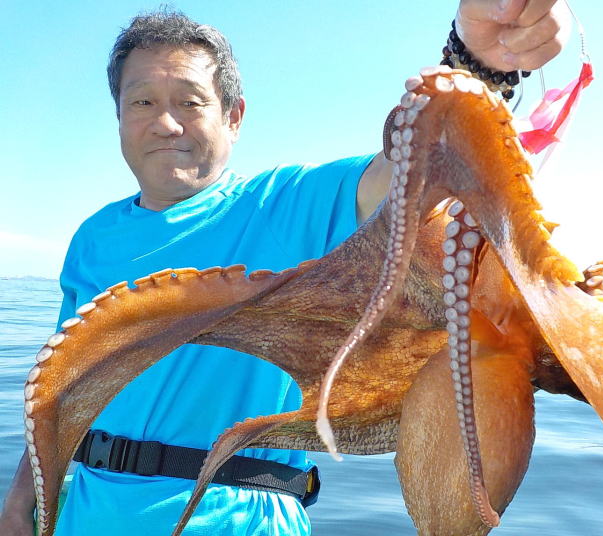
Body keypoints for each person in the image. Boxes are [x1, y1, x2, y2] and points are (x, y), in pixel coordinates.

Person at [0, 1, 570, 534]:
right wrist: (22, 499)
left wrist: (477, 62)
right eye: (142, 102)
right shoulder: (93, 237)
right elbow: (59, 384)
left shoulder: (286, 204)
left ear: (234, 117)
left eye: (190, 102)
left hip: (240, 515)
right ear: (120, 118)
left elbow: (417, 158)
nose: (166, 124)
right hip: (86, 513)